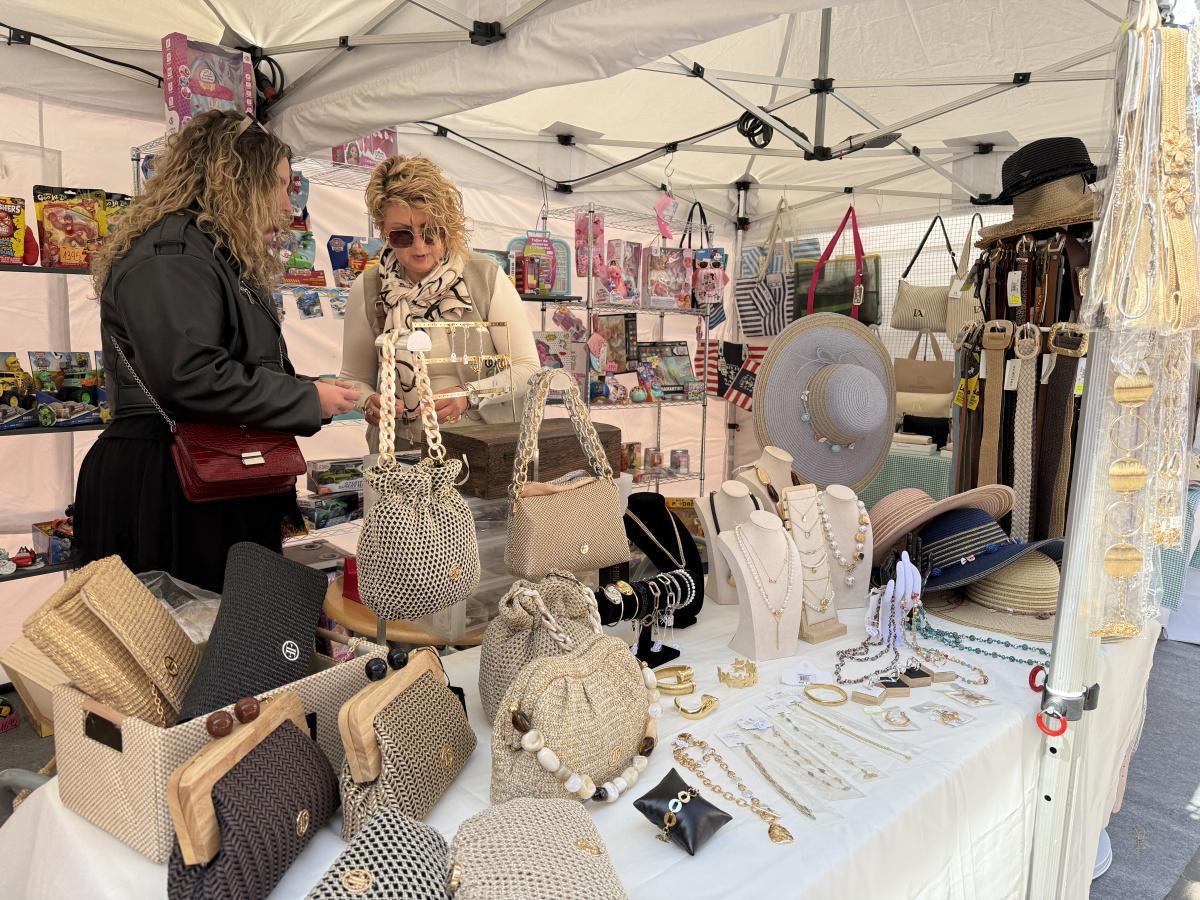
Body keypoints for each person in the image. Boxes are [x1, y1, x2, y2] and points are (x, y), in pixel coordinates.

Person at [75, 110, 360, 591]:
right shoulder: (174, 253)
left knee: (224, 646)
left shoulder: (207, 251)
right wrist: (305, 400)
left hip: (207, 476)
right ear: (241, 181)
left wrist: (309, 389)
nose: (287, 205)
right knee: (182, 649)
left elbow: (232, 363)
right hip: (171, 484)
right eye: (282, 185)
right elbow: (189, 374)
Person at [338, 155, 539, 452]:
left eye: (430, 232)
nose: (419, 247)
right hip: (400, 457)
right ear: (383, 231)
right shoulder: (368, 288)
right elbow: (353, 379)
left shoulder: (484, 277)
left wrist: (469, 394)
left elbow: (528, 369)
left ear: (448, 226)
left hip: (482, 453)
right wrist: (369, 401)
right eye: (403, 235)